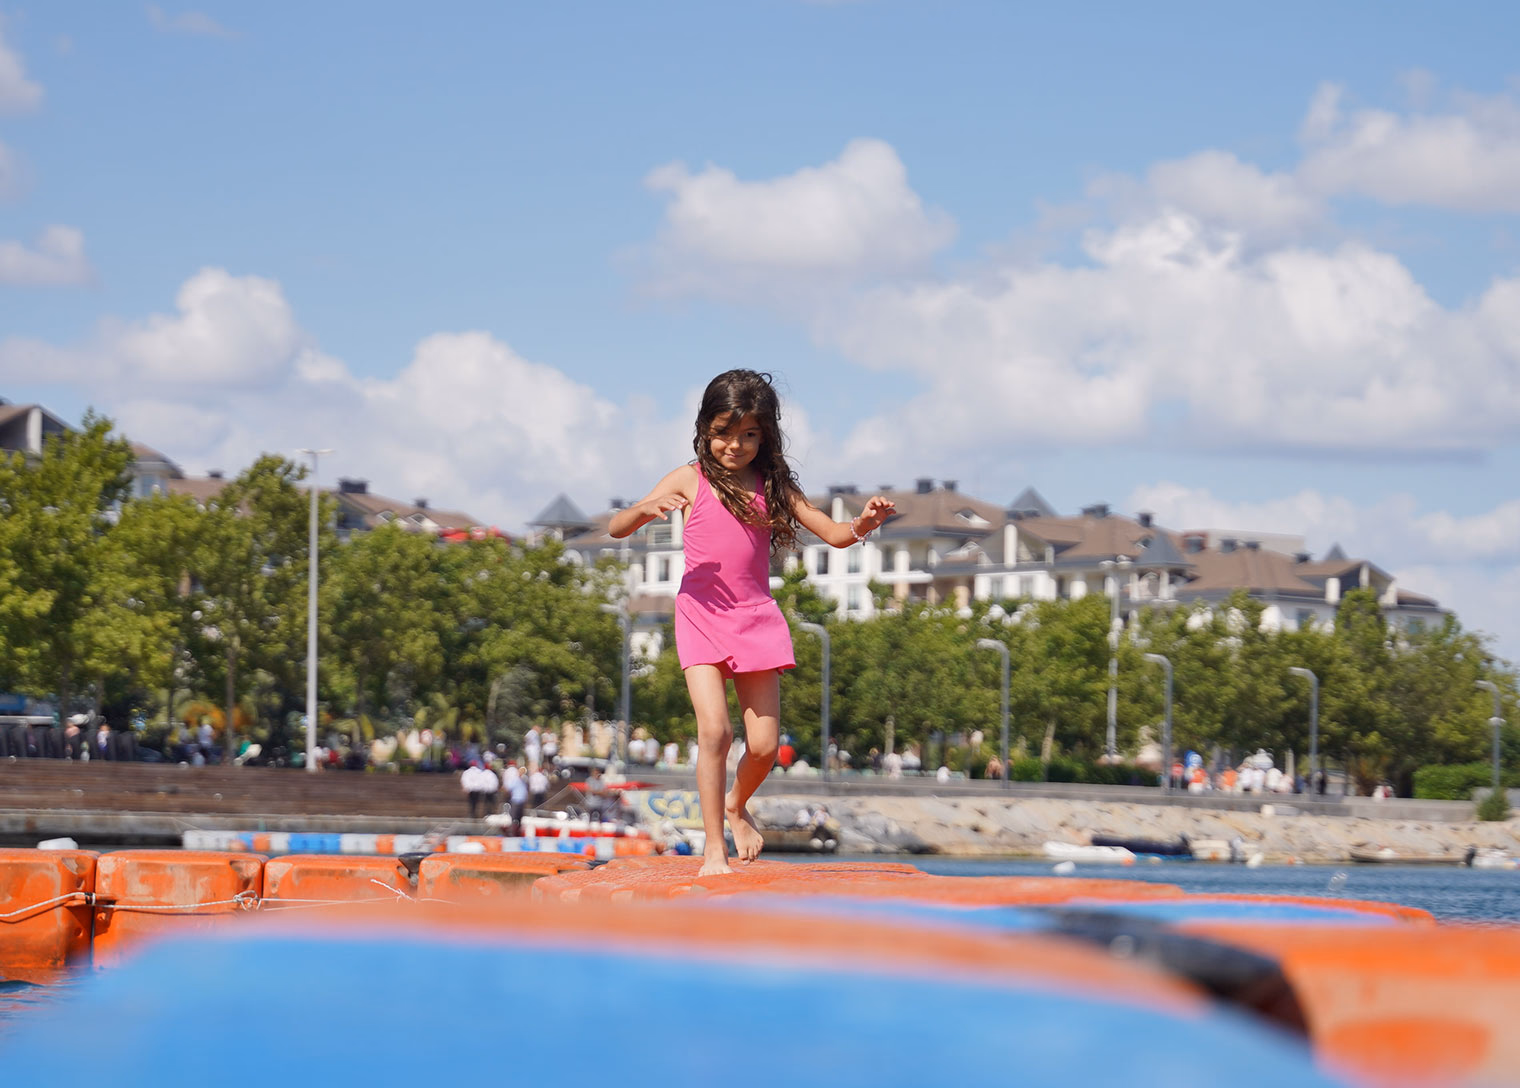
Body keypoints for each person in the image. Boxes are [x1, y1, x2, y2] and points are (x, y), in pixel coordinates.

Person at [610, 369, 894, 876]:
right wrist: (645, 508)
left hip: (756, 616)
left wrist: (863, 524)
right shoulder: (688, 478)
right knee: (714, 732)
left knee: (764, 747)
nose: (735, 445)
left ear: (765, 435)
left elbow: (832, 532)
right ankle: (713, 850)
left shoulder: (774, 485)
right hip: (699, 613)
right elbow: (615, 527)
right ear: (704, 428)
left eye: (749, 435)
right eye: (724, 432)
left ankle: (737, 805)